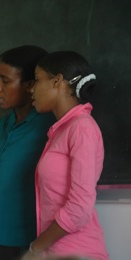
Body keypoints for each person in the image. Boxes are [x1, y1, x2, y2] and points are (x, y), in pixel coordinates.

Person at [22, 51, 108, 260]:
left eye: (38, 80)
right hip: (56, 252)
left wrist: (35, 248)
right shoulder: (61, 129)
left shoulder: (82, 128)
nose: (32, 89)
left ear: (57, 81)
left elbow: (79, 208)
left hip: (78, 252)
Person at [0, 45, 55, 260]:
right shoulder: (4, 124)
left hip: (27, 244)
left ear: (30, 85)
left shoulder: (49, 127)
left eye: (5, 81)